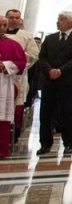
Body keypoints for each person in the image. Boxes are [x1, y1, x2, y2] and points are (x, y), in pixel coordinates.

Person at [36, 11, 72, 155]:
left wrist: (61, 71)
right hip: (49, 81)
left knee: (67, 112)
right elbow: (42, 57)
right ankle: (45, 143)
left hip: (67, 81)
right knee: (46, 113)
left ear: (71, 22)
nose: (58, 21)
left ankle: (68, 143)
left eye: (62, 19)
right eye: (58, 19)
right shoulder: (49, 38)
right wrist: (50, 70)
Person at [4, 9, 39, 143]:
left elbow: (34, 55)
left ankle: (13, 135)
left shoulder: (26, 36)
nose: (14, 20)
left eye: (17, 18)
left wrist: (15, 59)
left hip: (17, 76)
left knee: (15, 105)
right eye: (11, 17)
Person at [0, 16, 27, 159]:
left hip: (3, 84)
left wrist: (4, 65)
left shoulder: (13, 44)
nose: (3, 28)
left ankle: (1, 150)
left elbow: (21, 63)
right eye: (0, 25)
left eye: (5, 25)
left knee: (2, 118)